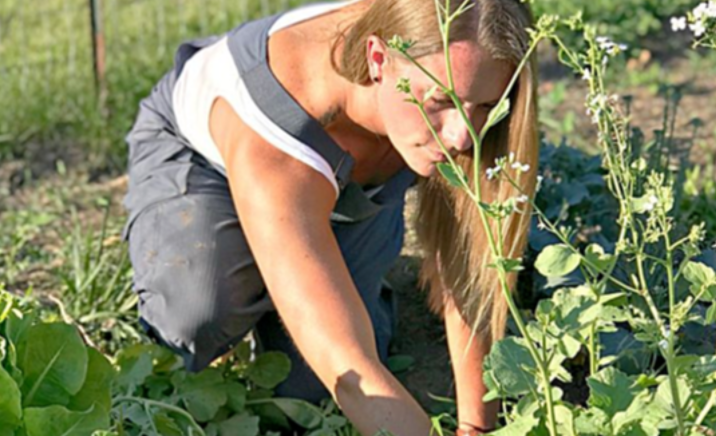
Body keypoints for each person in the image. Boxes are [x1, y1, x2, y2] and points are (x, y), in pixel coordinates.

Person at [121, 0, 539, 434]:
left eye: (485, 104)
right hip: (212, 162)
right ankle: (253, 266)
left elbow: (472, 272)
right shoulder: (278, 133)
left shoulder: (464, 88)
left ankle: (307, 273)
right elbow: (350, 365)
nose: (459, 135)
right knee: (198, 318)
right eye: (441, 100)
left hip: (346, 180)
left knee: (308, 393)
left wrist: (478, 428)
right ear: (379, 60)